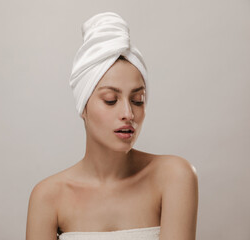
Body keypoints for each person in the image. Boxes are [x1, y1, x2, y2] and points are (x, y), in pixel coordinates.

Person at [26, 12, 198, 240]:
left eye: (137, 100)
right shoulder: (48, 197)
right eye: (110, 100)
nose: (128, 114)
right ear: (83, 107)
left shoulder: (174, 177)